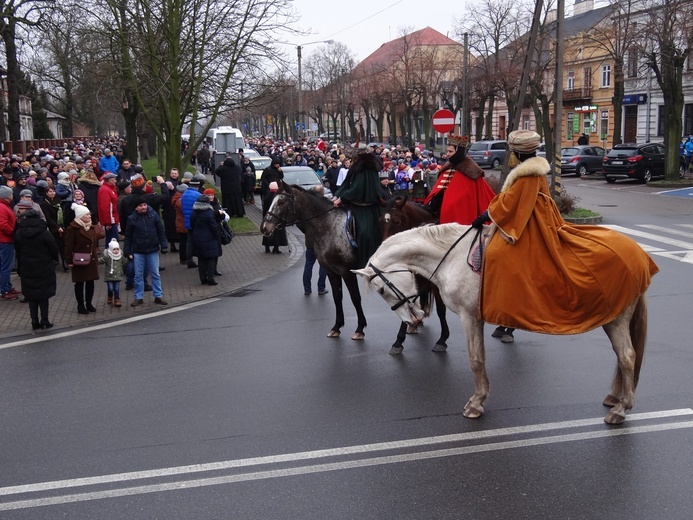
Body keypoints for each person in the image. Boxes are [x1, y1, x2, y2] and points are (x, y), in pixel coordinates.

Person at [475, 129, 659, 342]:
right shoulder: (530, 171)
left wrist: (485, 214)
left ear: (517, 153)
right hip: (535, 219)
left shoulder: (528, 175)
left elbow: (509, 204)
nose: (510, 155)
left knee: (501, 255)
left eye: (512, 151)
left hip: (536, 225)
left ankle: (513, 313)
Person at [423, 133, 496, 225]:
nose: (448, 154)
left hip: (461, 221)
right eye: (447, 151)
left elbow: (473, 200)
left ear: (458, 152)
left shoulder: (471, 172)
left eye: (450, 152)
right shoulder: (447, 169)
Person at [332, 152, 384, 269]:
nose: (350, 160)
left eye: (353, 158)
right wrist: (337, 196)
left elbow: (357, 189)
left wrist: (342, 198)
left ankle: (368, 262)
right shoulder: (354, 169)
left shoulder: (366, 170)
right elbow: (345, 184)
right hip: (353, 205)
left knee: (365, 233)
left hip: (366, 208)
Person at [14, 208, 59, 329]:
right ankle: (45, 320)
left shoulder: (19, 233)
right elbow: (53, 248)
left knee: (31, 296)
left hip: (27, 267)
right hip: (43, 266)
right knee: (44, 296)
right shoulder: (44, 232)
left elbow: (17, 250)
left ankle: (34, 321)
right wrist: (55, 259)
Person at [124, 198, 169, 307]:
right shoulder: (132, 219)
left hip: (152, 249)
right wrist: (127, 251)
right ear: (136, 208)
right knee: (138, 275)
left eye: (144, 205)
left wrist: (164, 245)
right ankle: (138, 297)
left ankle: (158, 296)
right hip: (138, 251)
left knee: (155, 274)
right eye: (140, 206)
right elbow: (128, 236)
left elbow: (160, 231)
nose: (143, 207)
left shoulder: (153, 215)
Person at [64, 203, 100, 314]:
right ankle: (81, 305)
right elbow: (69, 245)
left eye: (89, 214)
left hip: (91, 259)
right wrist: (69, 260)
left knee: (90, 282)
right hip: (79, 260)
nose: (90, 216)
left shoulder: (92, 227)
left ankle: (89, 303)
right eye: (87, 214)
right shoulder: (72, 229)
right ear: (80, 216)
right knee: (79, 283)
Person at [190, 194, 223, 285]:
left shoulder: (194, 212)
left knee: (201, 259)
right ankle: (210, 278)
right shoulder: (209, 213)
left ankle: (203, 278)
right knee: (211, 259)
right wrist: (217, 235)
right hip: (209, 238)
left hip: (197, 237)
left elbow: (192, 225)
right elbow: (213, 227)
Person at [302, 186, 328, 296]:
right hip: (322, 241)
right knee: (323, 266)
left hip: (310, 241)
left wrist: (307, 231)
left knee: (308, 265)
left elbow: (301, 223)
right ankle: (321, 288)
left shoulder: (307, 207)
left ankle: (307, 289)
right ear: (322, 194)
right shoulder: (324, 206)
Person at [40, 184, 68, 271]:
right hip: (52, 227)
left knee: (63, 245)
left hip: (61, 225)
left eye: (53, 191)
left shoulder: (58, 201)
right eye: (50, 192)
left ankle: (65, 261)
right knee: (56, 245)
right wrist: (56, 226)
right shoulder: (44, 204)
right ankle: (55, 260)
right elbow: (48, 217)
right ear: (46, 193)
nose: (52, 193)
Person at [0, 185, 20, 301]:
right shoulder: (2, 207)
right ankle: (4, 290)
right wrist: (13, 233)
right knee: (6, 267)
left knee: (5, 266)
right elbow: (2, 224)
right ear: (7, 196)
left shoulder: (4, 206)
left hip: (6, 240)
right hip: (5, 241)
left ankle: (7, 287)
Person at [261, 181, 288, 253]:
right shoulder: (278, 198)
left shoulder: (266, 197)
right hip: (277, 218)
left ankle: (267, 247)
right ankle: (276, 248)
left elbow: (264, 209)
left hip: (268, 218)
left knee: (267, 231)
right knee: (277, 233)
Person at [101, 238, 127, 307]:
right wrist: (95, 260)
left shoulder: (120, 256)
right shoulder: (107, 257)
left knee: (116, 288)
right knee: (110, 288)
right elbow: (101, 260)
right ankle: (110, 295)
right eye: (114, 249)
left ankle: (117, 299)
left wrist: (129, 258)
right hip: (109, 276)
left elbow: (124, 262)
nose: (116, 251)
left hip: (117, 275)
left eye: (117, 249)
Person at [97, 172, 121, 245]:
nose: (116, 181)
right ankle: (110, 255)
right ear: (110, 180)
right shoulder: (105, 190)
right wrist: (108, 222)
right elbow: (105, 207)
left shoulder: (110, 189)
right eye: (114, 179)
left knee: (111, 240)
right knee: (113, 241)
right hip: (111, 221)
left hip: (113, 219)